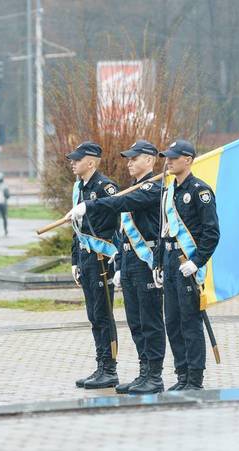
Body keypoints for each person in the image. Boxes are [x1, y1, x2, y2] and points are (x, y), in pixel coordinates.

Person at [70, 140, 166, 394]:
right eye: (128, 158)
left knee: (150, 321)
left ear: (150, 160)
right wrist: (122, 264)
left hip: (147, 260)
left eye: (135, 158)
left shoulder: (152, 188)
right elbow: (123, 230)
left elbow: (118, 206)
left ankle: (153, 375)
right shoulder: (135, 187)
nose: (129, 162)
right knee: (135, 321)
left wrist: (89, 205)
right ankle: (143, 371)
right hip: (130, 259)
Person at [156, 140, 219, 390]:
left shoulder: (199, 191)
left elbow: (211, 233)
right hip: (170, 262)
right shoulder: (169, 191)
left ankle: (194, 379)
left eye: (173, 157)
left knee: (190, 322)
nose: (168, 161)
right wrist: (159, 263)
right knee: (172, 321)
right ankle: (181, 375)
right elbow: (164, 230)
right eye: (167, 157)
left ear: (188, 160)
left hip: (187, 263)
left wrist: (196, 262)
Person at [66, 142, 121, 390]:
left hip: (102, 259)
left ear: (91, 162)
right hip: (86, 258)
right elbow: (76, 229)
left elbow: (115, 225)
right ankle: (100, 365)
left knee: (103, 313)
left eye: (77, 159)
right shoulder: (79, 188)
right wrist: (74, 260)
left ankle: (109, 369)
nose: (72, 163)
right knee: (93, 315)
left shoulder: (105, 187)